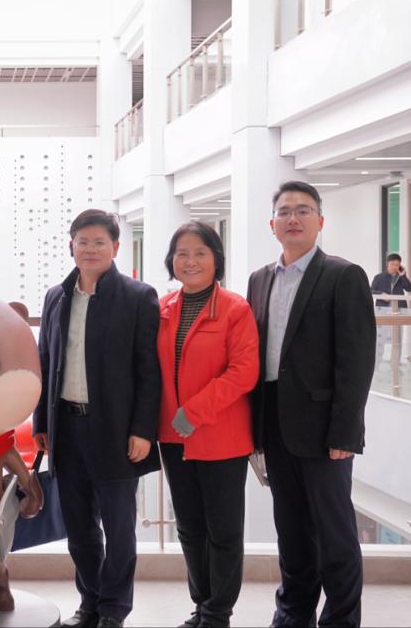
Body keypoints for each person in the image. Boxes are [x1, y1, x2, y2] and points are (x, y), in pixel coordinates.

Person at [246, 181, 376, 628]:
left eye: (303, 211)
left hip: (325, 430)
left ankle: (340, 619)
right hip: (274, 425)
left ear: (320, 221)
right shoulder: (259, 279)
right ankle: (292, 615)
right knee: (292, 532)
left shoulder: (344, 275)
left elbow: (356, 362)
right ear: (272, 224)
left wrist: (345, 433)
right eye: (284, 212)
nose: (293, 218)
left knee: (335, 535)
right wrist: (254, 429)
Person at [32, 209, 162, 628]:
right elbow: (44, 362)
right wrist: (41, 424)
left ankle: (113, 610)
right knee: (79, 527)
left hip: (116, 431)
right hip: (66, 428)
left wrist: (142, 430)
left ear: (115, 248)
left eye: (99, 242)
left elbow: (149, 370)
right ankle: (90, 602)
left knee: (119, 528)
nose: (90, 249)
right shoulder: (56, 296)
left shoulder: (138, 297)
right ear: (71, 246)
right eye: (82, 242)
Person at [156, 222, 259, 628]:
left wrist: (194, 412)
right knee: (189, 528)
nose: (191, 261)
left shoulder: (235, 308)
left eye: (200, 252)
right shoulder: (162, 309)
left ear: (216, 259)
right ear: (171, 261)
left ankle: (218, 614)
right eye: (182, 253)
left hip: (221, 437)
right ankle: (201, 605)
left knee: (224, 531)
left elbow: (244, 371)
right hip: (172, 437)